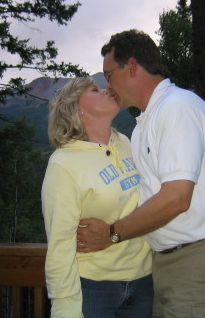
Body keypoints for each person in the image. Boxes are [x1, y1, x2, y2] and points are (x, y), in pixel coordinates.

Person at [76, 30, 205, 318]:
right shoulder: (145, 124)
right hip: (170, 263)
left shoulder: (177, 108)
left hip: (199, 262)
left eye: (109, 74)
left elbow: (176, 198)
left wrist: (111, 235)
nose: (108, 85)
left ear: (131, 66)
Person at [41, 77, 153, 318]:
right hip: (94, 287)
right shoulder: (64, 164)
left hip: (143, 280)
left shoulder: (124, 142)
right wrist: (64, 306)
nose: (106, 89)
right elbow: (60, 242)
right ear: (77, 109)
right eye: (95, 89)